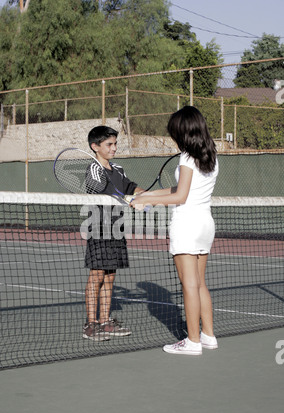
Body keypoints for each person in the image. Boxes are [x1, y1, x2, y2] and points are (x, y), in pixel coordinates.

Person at [130, 106, 219, 355]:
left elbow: (181, 196)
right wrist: (146, 195)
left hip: (187, 224)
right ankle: (208, 336)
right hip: (204, 224)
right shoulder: (209, 155)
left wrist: (148, 202)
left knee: (189, 285)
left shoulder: (186, 157)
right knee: (200, 283)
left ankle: (192, 342)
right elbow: (180, 189)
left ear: (183, 131)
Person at [83, 125, 144, 341]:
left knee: (109, 276)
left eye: (115, 144)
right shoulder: (93, 169)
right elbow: (101, 191)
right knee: (97, 275)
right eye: (109, 144)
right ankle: (91, 324)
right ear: (95, 147)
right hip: (99, 228)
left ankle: (106, 321)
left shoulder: (118, 168)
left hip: (117, 228)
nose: (114, 148)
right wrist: (126, 199)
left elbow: (129, 186)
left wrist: (143, 195)